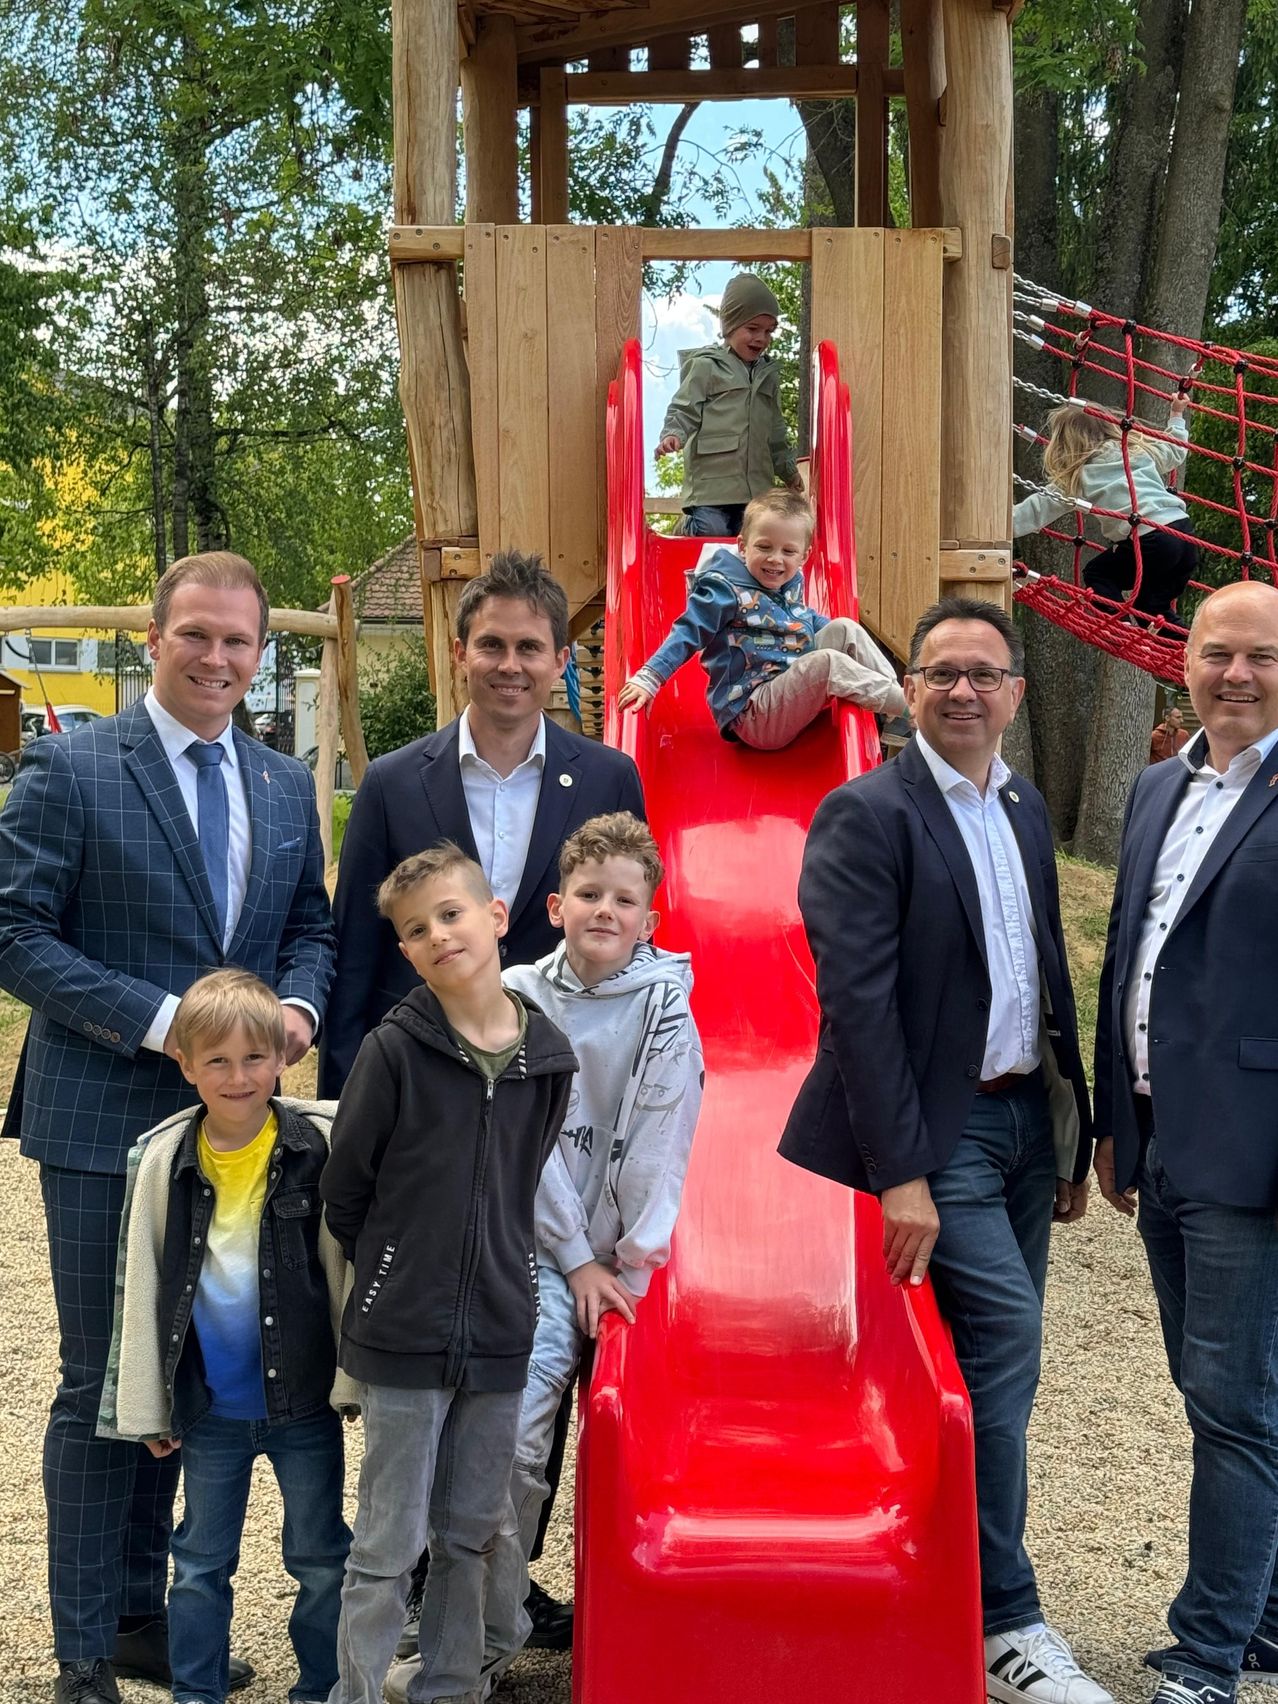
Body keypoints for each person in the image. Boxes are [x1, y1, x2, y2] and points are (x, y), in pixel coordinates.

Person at [0, 552, 335, 1704]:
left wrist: (295, 1004)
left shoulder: (285, 786)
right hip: (103, 1118)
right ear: (153, 636)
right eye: (196, 634)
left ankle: (146, 1617)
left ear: (260, 653)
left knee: (189, 1378)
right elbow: (13, 930)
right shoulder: (72, 766)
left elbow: (311, 928)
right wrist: (163, 1026)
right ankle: (86, 1651)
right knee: (104, 1380)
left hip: (239, 1135)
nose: (217, 658)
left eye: (239, 641)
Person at [779, 596, 1110, 1704]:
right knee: (1008, 1339)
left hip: (1024, 1119)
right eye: (939, 672)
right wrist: (902, 1171)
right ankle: (1006, 1618)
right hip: (941, 1128)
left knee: (981, 1369)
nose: (962, 690)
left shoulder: (1020, 806)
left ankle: (943, 1574)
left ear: (1016, 692)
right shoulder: (866, 814)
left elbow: (1043, 971)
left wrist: (1070, 1131)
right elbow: (858, 1008)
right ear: (906, 689)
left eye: (983, 673)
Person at [319, 549, 642, 1651]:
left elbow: (624, 934)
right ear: (460, 652)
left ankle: (501, 1568)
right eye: (491, 643)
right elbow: (360, 951)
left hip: (545, 1109)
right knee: (416, 1340)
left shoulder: (604, 781)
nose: (510, 664)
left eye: (531, 647)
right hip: (424, 1108)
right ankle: (401, 1570)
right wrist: (348, 1105)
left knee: (527, 1342)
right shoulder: (401, 780)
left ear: (562, 660)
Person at [417, 811, 701, 1697]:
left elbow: (663, 1136)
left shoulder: (666, 1005)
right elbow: (520, 1143)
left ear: (650, 920)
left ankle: (657, 1624)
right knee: (509, 1448)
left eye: (625, 899)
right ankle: (481, 1641)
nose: (605, 912)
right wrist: (576, 1257)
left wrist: (631, 1265)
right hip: (532, 1250)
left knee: (646, 1446)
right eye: (589, 895)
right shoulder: (516, 997)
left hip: (637, 1265)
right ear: (555, 905)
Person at [320, 843, 577, 1704]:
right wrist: (394, 1270)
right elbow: (347, 1187)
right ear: (405, 951)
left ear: (497, 916)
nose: (439, 935)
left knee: (469, 1533)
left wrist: (501, 1272)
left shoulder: (550, 1057)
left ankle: (450, 1688)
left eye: (452, 914)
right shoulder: (392, 1053)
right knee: (387, 1543)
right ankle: (354, 1692)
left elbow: (524, 1178)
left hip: (502, 1330)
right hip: (403, 1332)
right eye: (417, 929)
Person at [1094, 579, 1278, 1704]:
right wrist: (1120, 1120)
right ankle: (1267, 1615)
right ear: (1185, 662)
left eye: (1260, 656)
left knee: (1233, 1401)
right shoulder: (1158, 785)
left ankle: (1210, 1648)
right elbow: (1127, 951)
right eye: (1217, 653)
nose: (1237, 674)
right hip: (1160, 1137)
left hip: (1253, 1150)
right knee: (1224, 1388)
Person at [97, 970, 352, 1704]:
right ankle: (196, 1691)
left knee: (321, 1557)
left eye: (253, 1058)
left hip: (305, 1403)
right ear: (185, 1065)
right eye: (216, 1061)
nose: (237, 1077)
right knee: (202, 1561)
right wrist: (150, 1405)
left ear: (282, 1058)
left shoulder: (317, 1147)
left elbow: (350, 1267)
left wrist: (356, 1379)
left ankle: (322, 1687)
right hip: (209, 1412)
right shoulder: (166, 1162)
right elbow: (139, 1289)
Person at [617, 490, 905, 748]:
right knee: (827, 663)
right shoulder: (724, 588)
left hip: (788, 689)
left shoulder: (789, 581)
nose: (775, 559)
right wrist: (650, 677)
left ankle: (897, 708)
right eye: (764, 547)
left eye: (788, 551)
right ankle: (910, 707)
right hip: (754, 713)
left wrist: (828, 631)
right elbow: (688, 632)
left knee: (844, 627)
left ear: (804, 556)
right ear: (743, 546)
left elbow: (804, 618)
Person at [1012, 397, 1196, 621]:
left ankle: (1120, 628)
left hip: (1150, 540)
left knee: (1098, 574)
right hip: (1183, 535)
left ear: (1065, 445)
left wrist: (1000, 527)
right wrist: (1176, 415)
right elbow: (1174, 450)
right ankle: (1184, 650)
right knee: (1151, 607)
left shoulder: (1080, 475)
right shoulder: (1134, 451)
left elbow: (1037, 510)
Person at [655, 271, 802, 538]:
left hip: (756, 488)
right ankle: (686, 528)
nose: (762, 338)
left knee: (750, 538)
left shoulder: (767, 375)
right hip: (712, 485)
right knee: (712, 530)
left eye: (769, 331)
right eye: (753, 329)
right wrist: (673, 434)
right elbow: (685, 407)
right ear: (730, 327)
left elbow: (776, 431)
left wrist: (788, 470)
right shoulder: (707, 366)